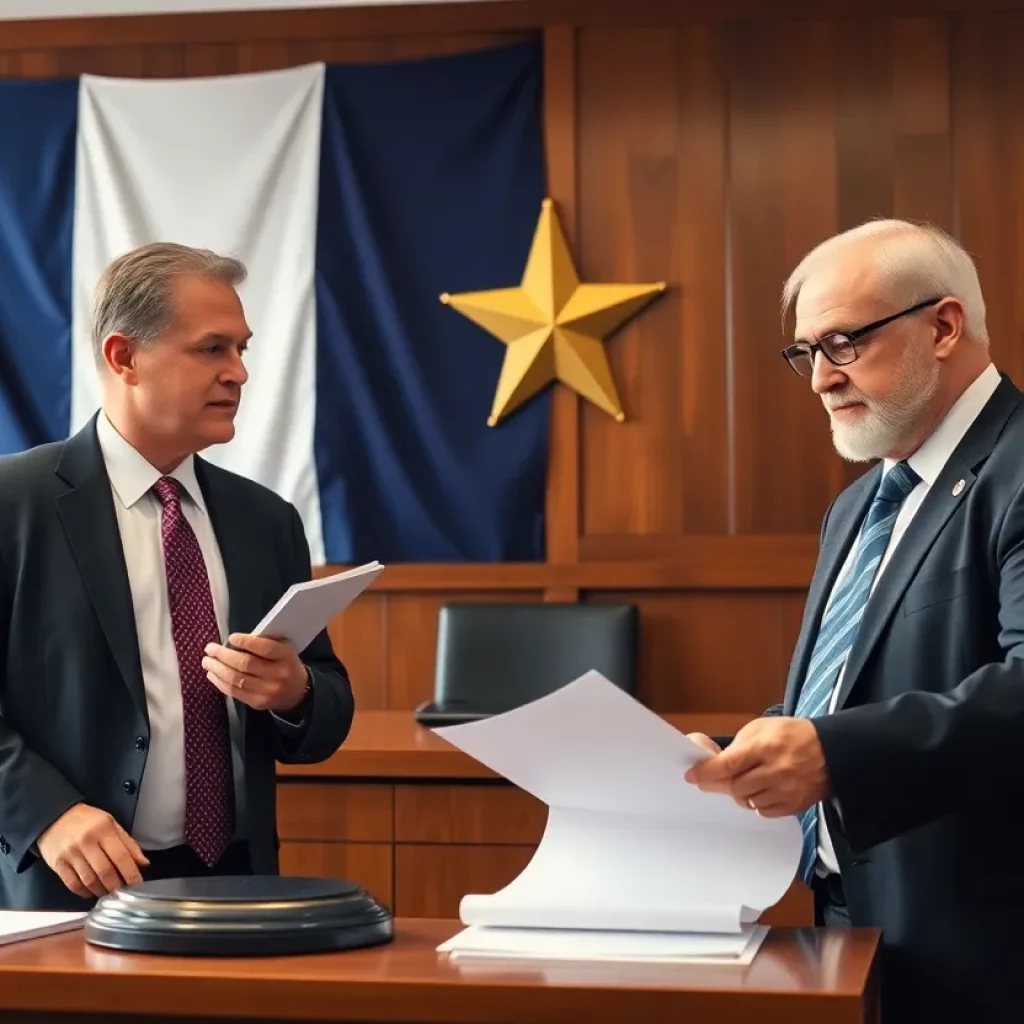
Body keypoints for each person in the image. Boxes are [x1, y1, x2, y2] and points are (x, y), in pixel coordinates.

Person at [685, 219, 1024, 1022]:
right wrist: (745, 756)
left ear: (943, 327)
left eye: (842, 343)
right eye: (806, 353)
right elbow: (841, 696)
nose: (819, 381)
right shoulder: (859, 504)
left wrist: (831, 754)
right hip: (852, 926)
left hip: (986, 949)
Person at [0, 243, 354, 911]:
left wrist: (295, 692)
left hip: (239, 885)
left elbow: (327, 712)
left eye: (242, 349)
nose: (239, 373)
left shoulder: (266, 520)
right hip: (62, 895)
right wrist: (45, 814)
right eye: (212, 349)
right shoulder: (12, 505)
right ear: (124, 357)